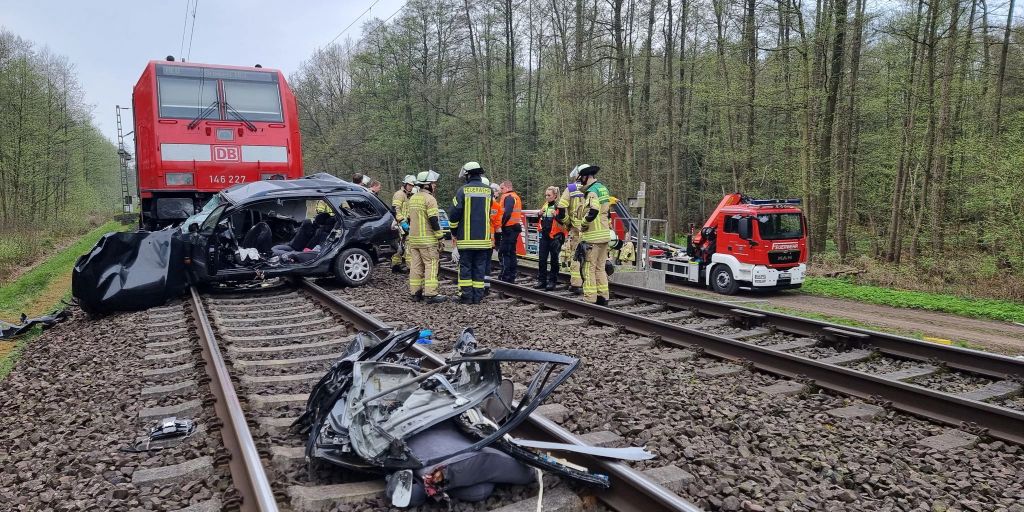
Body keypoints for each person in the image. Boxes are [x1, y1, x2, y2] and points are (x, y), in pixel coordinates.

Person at [448, 162, 493, 304]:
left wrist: (454, 232)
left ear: (468, 175)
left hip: (466, 240)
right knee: (480, 269)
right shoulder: (489, 191)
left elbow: (454, 214)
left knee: (465, 269)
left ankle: (466, 296)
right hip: (484, 240)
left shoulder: (463, 191)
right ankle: (478, 296)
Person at [406, 170, 447, 303]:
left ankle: (415, 293)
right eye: (433, 183)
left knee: (416, 266)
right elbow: (434, 219)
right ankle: (430, 294)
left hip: (414, 240)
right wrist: (440, 237)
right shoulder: (430, 199)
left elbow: (408, 218)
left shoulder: (412, 198)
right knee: (431, 265)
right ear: (427, 185)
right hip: (427, 241)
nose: (435, 185)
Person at [575, 164, 612, 305]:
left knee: (588, 268)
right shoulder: (603, 188)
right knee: (600, 267)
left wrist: (583, 224)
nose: (580, 182)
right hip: (604, 235)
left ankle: (590, 299)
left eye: (581, 179)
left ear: (585, 177)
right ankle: (603, 297)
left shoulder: (591, 191)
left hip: (593, 237)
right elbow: (606, 212)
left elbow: (593, 210)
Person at [557, 166, 586, 294]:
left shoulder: (571, 188)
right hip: (592, 229)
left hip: (576, 229)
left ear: (577, 175)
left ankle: (576, 284)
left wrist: (567, 223)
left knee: (576, 256)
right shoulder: (595, 188)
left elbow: (561, 208)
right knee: (592, 258)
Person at [535, 186, 565, 290]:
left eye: (549, 195)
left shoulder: (559, 206)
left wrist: (556, 216)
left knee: (554, 260)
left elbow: (564, 222)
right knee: (542, 259)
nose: (547, 197)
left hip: (555, 237)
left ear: (555, 196)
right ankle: (541, 281)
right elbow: (541, 219)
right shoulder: (545, 205)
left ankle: (552, 281)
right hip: (545, 235)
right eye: (546, 195)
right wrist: (539, 214)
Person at [497, 180, 522, 282]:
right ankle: (511, 275)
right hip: (514, 228)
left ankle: (506, 276)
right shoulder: (515, 196)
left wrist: (501, 225)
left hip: (509, 228)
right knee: (511, 252)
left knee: (505, 252)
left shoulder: (509, 197)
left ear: (507, 187)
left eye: (502, 188)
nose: (501, 191)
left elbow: (507, 213)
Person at [391, 175, 417, 273]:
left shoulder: (409, 196)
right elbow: (395, 209)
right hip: (400, 223)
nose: (411, 187)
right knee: (408, 245)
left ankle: (395, 265)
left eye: (412, 186)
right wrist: (402, 221)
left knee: (401, 246)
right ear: (405, 184)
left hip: (406, 223)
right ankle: (411, 268)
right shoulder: (399, 194)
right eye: (409, 185)